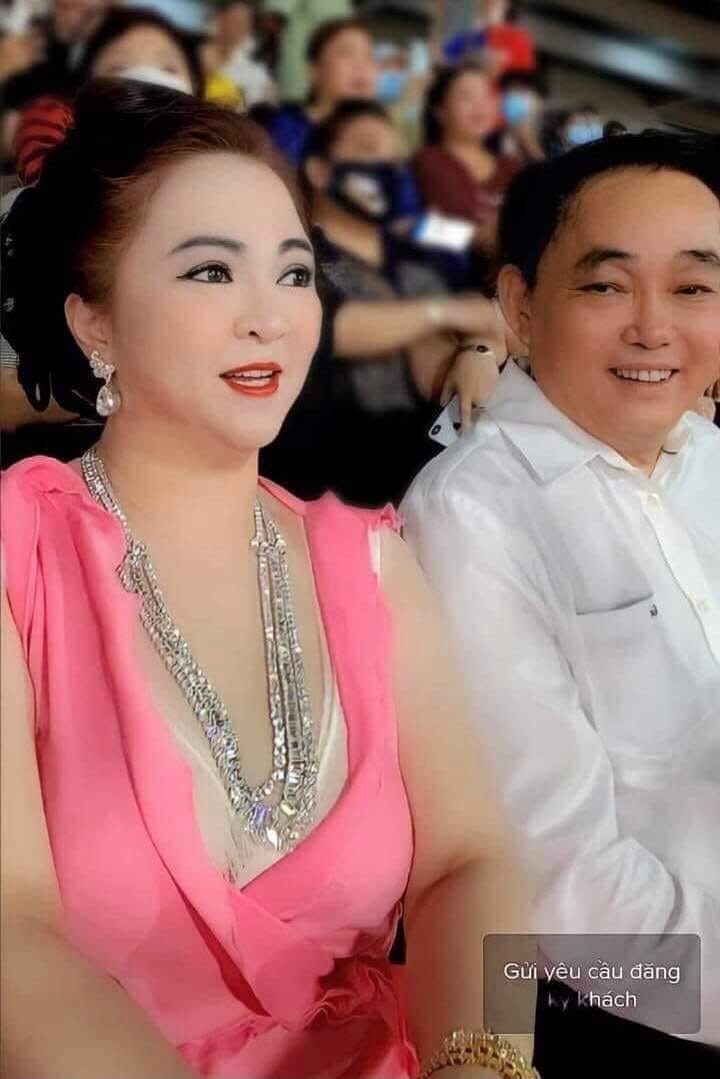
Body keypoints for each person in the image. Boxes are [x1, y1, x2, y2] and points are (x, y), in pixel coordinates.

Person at [0, 78, 536, 1079]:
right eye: (211, 271)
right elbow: (11, 933)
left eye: (294, 273)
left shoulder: (373, 561)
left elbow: (472, 856)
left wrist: (484, 1058)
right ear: (95, 323)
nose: (271, 318)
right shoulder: (16, 555)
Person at [403, 131, 720, 1075]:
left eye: (694, 287)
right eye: (607, 286)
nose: (654, 328)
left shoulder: (707, 458)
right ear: (520, 308)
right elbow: (553, 892)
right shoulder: (472, 514)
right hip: (615, 1008)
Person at [261, 98, 504, 507]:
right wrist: (443, 315)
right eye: (368, 149)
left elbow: (487, 314)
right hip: (314, 499)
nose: (387, 168)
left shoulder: (421, 239)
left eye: (395, 158)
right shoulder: (293, 250)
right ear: (320, 169)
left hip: (428, 499)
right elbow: (327, 326)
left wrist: (479, 350)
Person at [413, 63, 522, 285]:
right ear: (439, 111)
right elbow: (411, 227)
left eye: (486, 96)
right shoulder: (425, 161)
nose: (479, 105)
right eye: (466, 96)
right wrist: (472, 237)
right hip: (444, 284)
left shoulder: (513, 168)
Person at [263, 16, 377, 166]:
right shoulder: (284, 127)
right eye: (346, 53)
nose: (361, 66)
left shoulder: (383, 133)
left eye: (369, 56)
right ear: (314, 70)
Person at [204, 0, 276, 109]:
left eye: (243, 23)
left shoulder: (255, 72)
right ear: (219, 19)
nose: (237, 28)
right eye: (233, 20)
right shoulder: (195, 52)